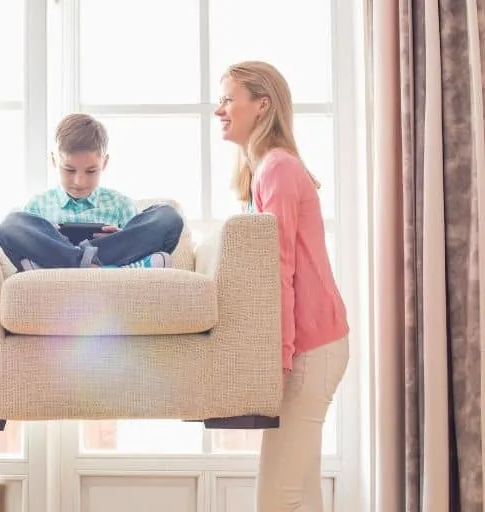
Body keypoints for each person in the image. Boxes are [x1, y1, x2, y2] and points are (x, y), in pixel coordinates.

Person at [214, 60, 349, 511]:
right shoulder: (267, 170)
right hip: (317, 344)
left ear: (262, 105)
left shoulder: (278, 169)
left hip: (311, 348)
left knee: (277, 497)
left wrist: (279, 357)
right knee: (299, 492)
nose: (220, 109)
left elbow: (279, 270)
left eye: (229, 98)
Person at [0, 113, 184, 271]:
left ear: (105, 163)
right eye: (69, 170)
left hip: (92, 262)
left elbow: (136, 243)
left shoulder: (120, 204)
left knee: (168, 216)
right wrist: (49, 236)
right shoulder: (38, 205)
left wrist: (120, 236)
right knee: (11, 224)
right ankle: (87, 263)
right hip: (70, 263)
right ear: (54, 161)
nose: (80, 182)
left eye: (91, 171)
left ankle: (77, 264)